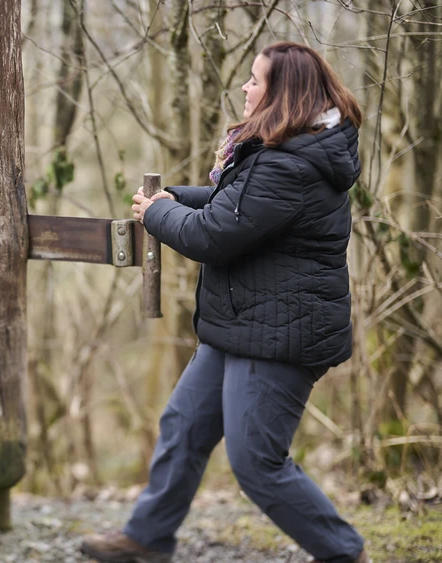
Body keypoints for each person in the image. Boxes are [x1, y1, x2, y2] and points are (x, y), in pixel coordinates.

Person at [80, 42, 369, 563]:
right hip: (242, 324)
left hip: (280, 335)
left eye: (256, 80)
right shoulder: (286, 151)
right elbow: (232, 205)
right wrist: (170, 200)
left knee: (258, 462)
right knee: (184, 425)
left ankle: (343, 552)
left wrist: (156, 216)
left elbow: (214, 235)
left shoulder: (291, 167)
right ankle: (146, 538)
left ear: (283, 94)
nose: (245, 87)